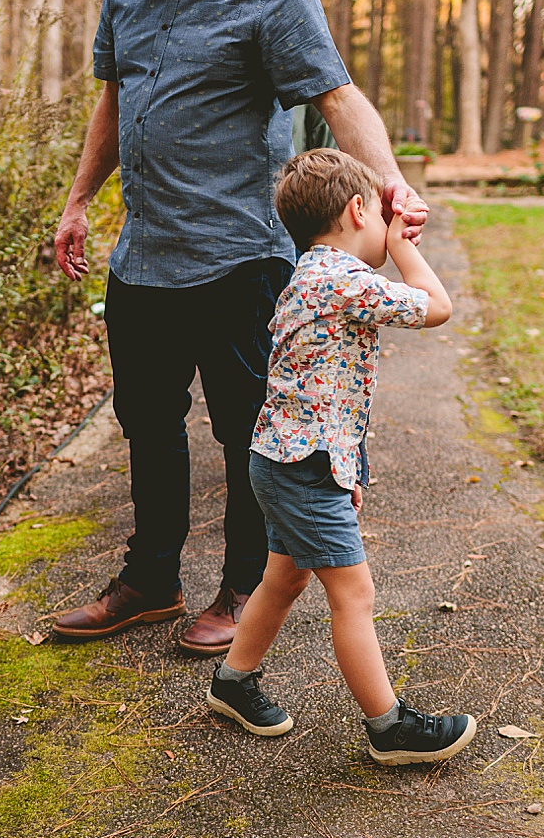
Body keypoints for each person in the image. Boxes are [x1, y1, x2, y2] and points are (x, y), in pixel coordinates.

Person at [51, 0, 428, 656]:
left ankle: (244, 584)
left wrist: (392, 186)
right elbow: (114, 101)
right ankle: (151, 580)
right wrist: (79, 199)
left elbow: (337, 95)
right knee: (148, 424)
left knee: (249, 433)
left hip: (241, 257)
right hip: (145, 255)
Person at [204, 149, 477, 766]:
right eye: (380, 214)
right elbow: (436, 306)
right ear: (358, 210)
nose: (388, 227)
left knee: (285, 575)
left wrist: (343, 472)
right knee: (353, 594)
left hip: (287, 459)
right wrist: (405, 243)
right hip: (301, 467)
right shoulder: (340, 280)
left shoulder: (312, 273)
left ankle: (233, 681)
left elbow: (323, 394)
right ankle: (389, 727)